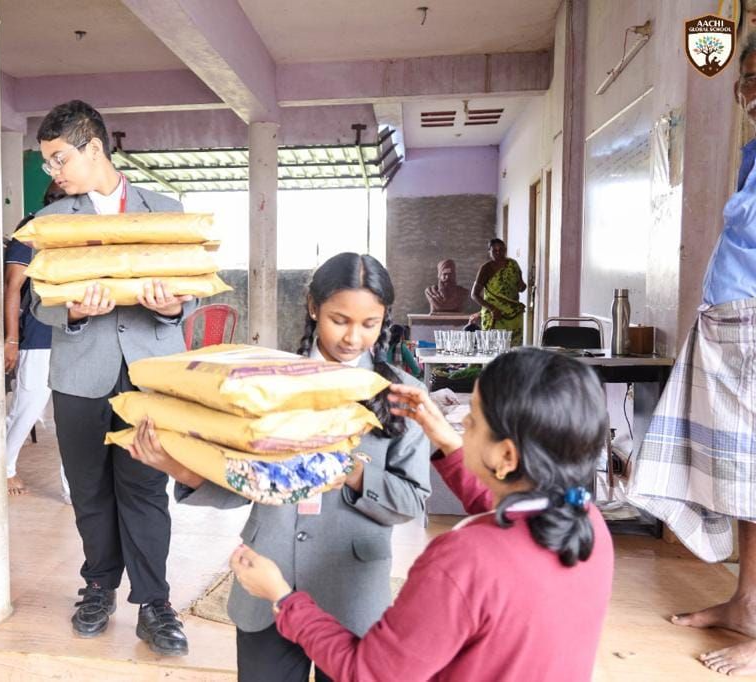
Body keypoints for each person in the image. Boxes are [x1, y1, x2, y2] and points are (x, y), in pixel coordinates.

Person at [127, 252, 432, 682]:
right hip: (263, 586)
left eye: (370, 324)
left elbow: (413, 501)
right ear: (313, 307)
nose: (353, 338)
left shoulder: (402, 394)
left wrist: (351, 471)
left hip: (351, 593)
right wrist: (182, 469)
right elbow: (242, 474)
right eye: (339, 319)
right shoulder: (266, 381)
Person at [231, 348, 615, 681]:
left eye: (474, 418)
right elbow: (510, 523)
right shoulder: (585, 523)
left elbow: (369, 673)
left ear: (507, 456)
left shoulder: (464, 559)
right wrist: (446, 441)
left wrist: (282, 598)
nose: (461, 421)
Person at [29, 100, 196, 656]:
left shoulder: (165, 209)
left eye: (58, 159)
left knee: (146, 488)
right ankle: (98, 586)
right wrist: (73, 312)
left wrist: (173, 307)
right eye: (47, 163)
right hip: (79, 375)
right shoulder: (52, 221)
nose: (53, 173)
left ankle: (154, 604)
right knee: (90, 490)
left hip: (150, 375)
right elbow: (39, 302)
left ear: (93, 146)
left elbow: (189, 291)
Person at [626, 34, 756, 677]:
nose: (750, 92)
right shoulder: (755, 151)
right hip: (732, 329)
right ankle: (748, 605)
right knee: (741, 481)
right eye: (747, 79)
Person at [3, 181, 68, 498]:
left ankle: (73, 488)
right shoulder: (31, 229)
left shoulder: (80, 231)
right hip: (41, 332)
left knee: (74, 417)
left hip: (78, 334)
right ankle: (4, 468)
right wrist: (12, 340)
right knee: (28, 406)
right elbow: (13, 287)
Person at [471, 238, 526, 345]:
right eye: (494, 251)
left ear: (505, 250)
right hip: (495, 315)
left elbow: (521, 286)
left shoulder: (513, 265)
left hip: (513, 314)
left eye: (501, 250)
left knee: (513, 350)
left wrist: (522, 286)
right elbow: (474, 295)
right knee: (492, 349)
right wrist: (493, 309)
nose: (498, 253)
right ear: (489, 252)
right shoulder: (486, 268)